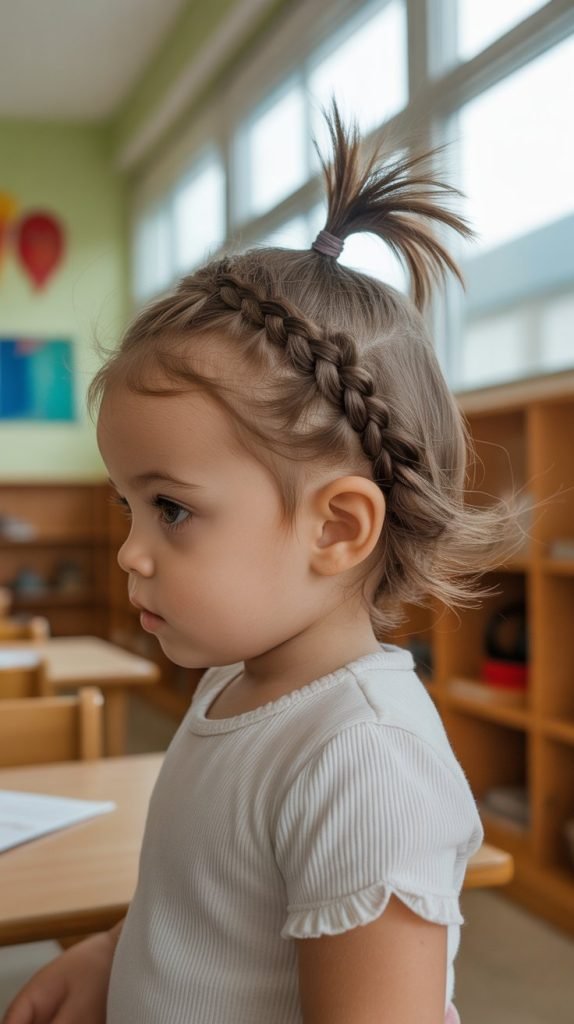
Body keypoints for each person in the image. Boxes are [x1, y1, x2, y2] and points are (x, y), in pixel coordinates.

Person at [3, 107, 523, 1024]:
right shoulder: (237, 682)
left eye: (171, 509)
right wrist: (113, 953)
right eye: (129, 505)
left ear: (337, 529)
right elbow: (209, 900)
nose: (130, 548)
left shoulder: (364, 762)